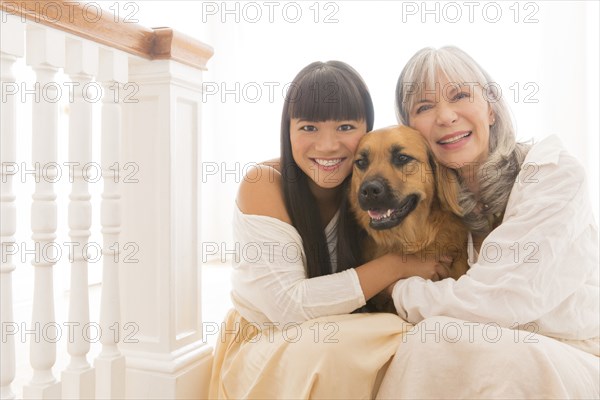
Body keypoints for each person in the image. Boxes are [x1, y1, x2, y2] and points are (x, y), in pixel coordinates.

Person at [208, 61, 449, 399]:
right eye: (309, 128)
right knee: (356, 345)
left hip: (337, 334)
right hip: (267, 340)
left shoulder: (366, 189)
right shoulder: (263, 183)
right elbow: (288, 308)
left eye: (345, 127)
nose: (327, 145)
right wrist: (400, 264)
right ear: (287, 131)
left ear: (367, 129)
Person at [376, 46, 599, 399]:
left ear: (491, 108)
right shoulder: (435, 205)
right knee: (428, 342)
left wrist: (398, 291)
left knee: (497, 358)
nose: (446, 116)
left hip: (574, 350)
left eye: (460, 95)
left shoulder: (553, 173)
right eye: (424, 107)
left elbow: (501, 302)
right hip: (493, 347)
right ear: (412, 132)